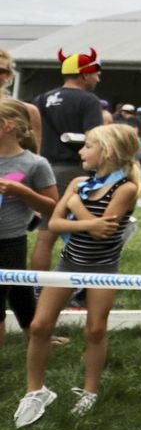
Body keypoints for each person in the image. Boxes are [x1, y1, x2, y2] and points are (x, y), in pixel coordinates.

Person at [14, 123, 141, 427]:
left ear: (107, 152)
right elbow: (57, 224)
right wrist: (79, 212)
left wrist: (74, 206)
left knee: (95, 330)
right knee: (39, 325)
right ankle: (36, 391)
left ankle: (90, 392)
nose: (82, 152)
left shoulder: (125, 188)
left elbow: (103, 232)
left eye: (87, 146)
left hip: (103, 269)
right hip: (68, 265)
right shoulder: (77, 182)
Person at [31, 49, 107, 274]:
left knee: (45, 235)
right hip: (74, 170)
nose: (98, 77)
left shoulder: (41, 98)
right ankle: (75, 289)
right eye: (96, 73)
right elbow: (96, 138)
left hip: (44, 168)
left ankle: (37, 288)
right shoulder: (89, 100)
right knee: (83, 233)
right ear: (84, 75)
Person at [0, 100, 57, 348]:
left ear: (8, 126)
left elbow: (53, 207)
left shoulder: (35, 164)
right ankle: (35, 333)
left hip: (10, 240)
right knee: (19, 288)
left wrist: (23, 192)